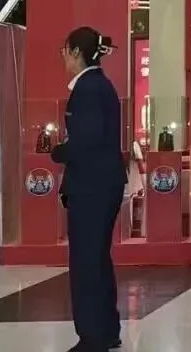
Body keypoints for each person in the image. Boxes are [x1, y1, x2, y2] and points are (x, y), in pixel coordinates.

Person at [51, 27, 126, 352]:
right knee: (97, 259)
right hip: (103, 184)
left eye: (65, 51)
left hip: (92, 188)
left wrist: (59, 152)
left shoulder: (87, 89)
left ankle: (92, 337)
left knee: (86, 263)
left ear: (76, 52)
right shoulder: (100, 86)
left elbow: (87, 139)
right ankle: (106, 330)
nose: (63, 58)